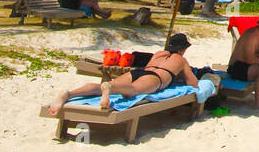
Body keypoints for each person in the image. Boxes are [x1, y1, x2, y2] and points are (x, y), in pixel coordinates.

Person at [48, 33, 198, 115]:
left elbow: (150, 67)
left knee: (109, 85)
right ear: (182, 49)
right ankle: (109, 88)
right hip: (155, 78)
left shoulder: (159, 53)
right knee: (133, 91)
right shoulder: (181, 60)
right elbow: (193, 84)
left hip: (140, 71)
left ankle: (69, 93)